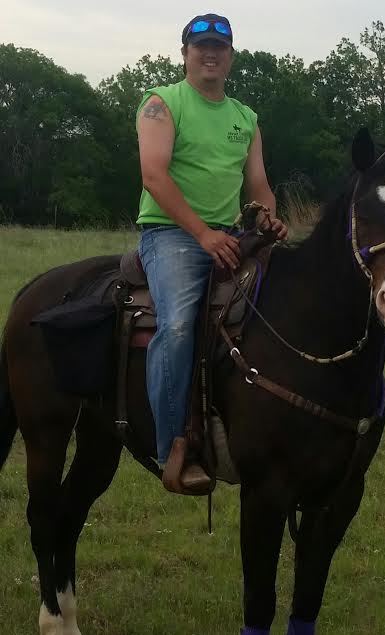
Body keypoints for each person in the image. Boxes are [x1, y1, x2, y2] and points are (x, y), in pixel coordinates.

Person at [136, 12, 288, 493]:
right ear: (184, 54)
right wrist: (203, 234)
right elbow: (154, 176)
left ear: (230, 58)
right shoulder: (162, 104)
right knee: (179, 326)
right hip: (172, 236)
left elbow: (260, 186)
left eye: (218, 48)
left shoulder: (247, 119)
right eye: (200, 46)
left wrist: (267, 217)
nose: (209, 54)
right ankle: (172, 449)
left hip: (231, 236)